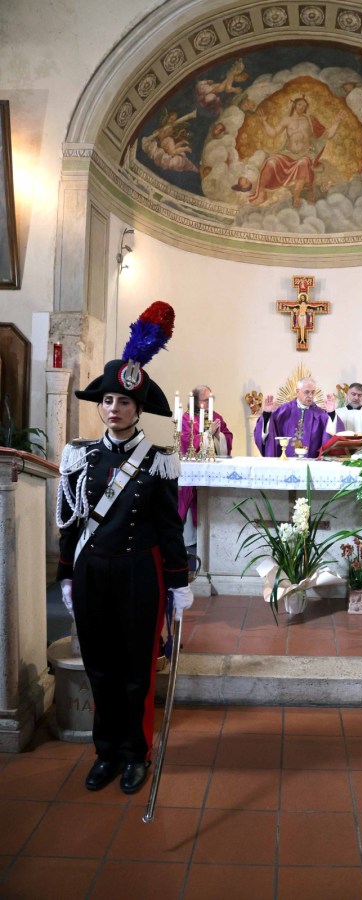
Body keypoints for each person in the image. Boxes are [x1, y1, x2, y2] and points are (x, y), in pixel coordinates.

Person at [56, 302, 194, 795]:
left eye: (124, 402)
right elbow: (71, 521)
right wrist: (66, 575)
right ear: (100, 406)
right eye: (108, 400)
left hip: (140, 575)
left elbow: (169, 527)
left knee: (137, 668)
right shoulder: (79, 456)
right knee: (100, 667)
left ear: (139, 411)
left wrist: (177, 584)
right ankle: (106, 752)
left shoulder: (158, 462)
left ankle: (136, 753)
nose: (114, 408)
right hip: (92, 573)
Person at [249, 95, 341, 207]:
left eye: (304, 105)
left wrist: (336, 123)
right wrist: (264, 122)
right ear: (294, 105)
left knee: (304, 163)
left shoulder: (310, 121)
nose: (302, 107)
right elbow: (273, 133)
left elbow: (327, 135)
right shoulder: (286, 120)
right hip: (287, 154)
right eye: (300, 104)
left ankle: (296, 196)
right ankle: (261, 194)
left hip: (305, 154)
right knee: (270, 162)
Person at [178, 385, 233, 527]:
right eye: (206, 400)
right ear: (196, 401)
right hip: (196, 470)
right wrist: (208, 434)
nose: (209, 403)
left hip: (215, 468)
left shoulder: (216, 416)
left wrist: (218, 435)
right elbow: (186, 441)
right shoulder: (187, 418)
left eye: (211, 399)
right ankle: (196, 536)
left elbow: (227, 437)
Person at [254, 376, 343, 458]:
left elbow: (334, 435)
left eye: (313, 392)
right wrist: (266, 414)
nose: (311, 396)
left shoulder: (320, 414)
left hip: (311, 465)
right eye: (307, 392)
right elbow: (268, 432)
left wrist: (331, 413)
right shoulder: (283, 411)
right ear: (297, 391)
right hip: (286, 463)